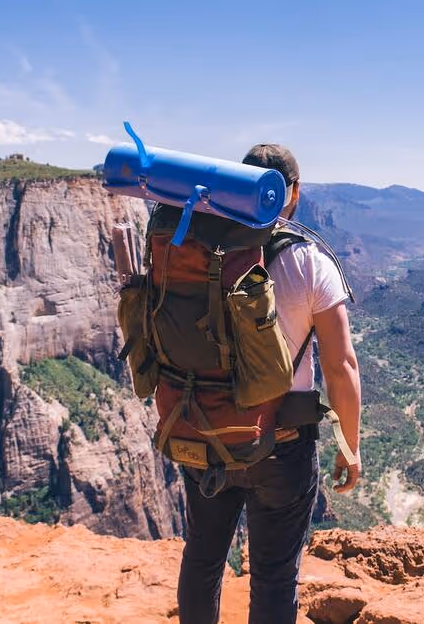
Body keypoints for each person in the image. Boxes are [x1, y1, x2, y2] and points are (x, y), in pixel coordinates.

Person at [176, 144, 363, 624]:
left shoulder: (195, 250)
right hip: (281, 446)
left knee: (202, 559)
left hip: (205, 432)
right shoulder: (309, 263)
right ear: (292, 194)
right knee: (275, 577)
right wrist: (350, 447)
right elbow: (342, 366)